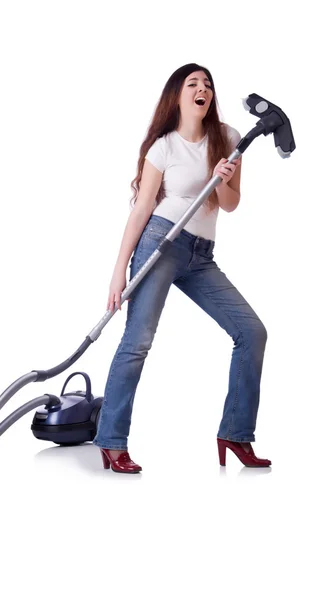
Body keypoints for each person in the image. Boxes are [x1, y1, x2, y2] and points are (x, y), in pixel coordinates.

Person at [93, 63, 272, 473]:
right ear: (178, 96)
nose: (202, 89)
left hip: (201, 256)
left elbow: (229, 204)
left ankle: (235, 433)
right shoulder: (164, 147)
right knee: (137, 342)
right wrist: (119, 270)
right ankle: (111, 440)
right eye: (193, 83)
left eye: (207, 84)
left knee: (251, 331)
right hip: (161, 243)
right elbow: (141, 209)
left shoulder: (227, 138)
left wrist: (221, 177)